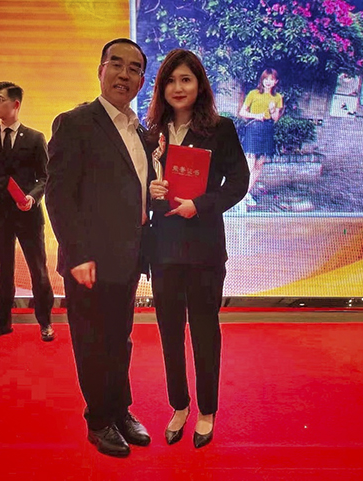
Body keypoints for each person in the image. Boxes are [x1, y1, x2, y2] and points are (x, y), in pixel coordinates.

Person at [46, 38, 153, 458]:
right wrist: (77, 255)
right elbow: (59, 196)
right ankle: (98, 420)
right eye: (117, 64)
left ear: (142, 80)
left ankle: (120, 410)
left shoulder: (139, 131)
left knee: (119, 339)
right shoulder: (75, 123)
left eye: (134, 68)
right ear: (101, 69)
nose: (124, 74)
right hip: (88, 261)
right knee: (92, 341)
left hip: (128, 257)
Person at [145, 49, 249, 448]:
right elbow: (139, 186)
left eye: (186, 79)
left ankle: (206, 410)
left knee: (205, 331)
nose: (178, 87)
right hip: (163, 248)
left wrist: (200, 204)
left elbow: (238, 182)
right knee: (169, 332)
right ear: (161, 88)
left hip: (204, 248)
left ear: (199, 85)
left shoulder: (220, 129)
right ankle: (179, 405)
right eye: (170, 81)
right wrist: (150, 191)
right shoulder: (150, 133)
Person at [0, 82, 55, 343]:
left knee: (38, 269)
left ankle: (45, 322)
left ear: (16, 104)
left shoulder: (34, 138)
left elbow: (45, 177)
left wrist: (32, 198)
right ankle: (1, 323)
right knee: (3, 270)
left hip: (28, 213)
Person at [238, 68, 283, 206]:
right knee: (250, 163)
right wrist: (255, 115)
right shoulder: (253, 93)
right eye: (266, 79)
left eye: (271, 79)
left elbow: (275, 118)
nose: (268, 82)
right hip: (254, 128)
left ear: (276, 81)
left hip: (267, 129)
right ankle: (238, 194)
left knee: (259, 164)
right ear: (262, 80)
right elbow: (242, 112)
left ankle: (246, 193)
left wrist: (273, 110)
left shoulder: (277, 97)